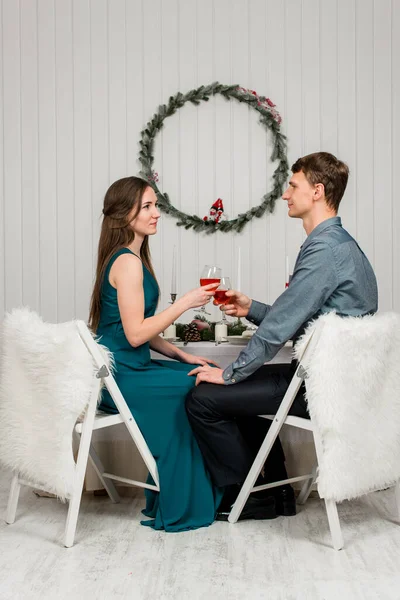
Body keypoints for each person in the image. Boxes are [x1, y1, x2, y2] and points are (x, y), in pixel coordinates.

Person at [185, 152, 378, 521]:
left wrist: (230, 373)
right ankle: (279, 493)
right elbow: (305, 318)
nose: (286, 195)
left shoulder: (324, 249)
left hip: (320, 389)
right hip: (337, 383)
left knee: (203, 399)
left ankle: (250, 496)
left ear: (317, 191)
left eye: (293, 186)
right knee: (240, 401)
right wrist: (252, 308)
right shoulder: (342, 245)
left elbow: (280, 328)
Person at [88, 176, 223, 532]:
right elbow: (134, 335)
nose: (156, 213)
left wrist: (182, 355)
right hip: (121, 376)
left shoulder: (131, 258)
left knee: (197, 375)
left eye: (155, 205)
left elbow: (138, 328)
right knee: (195, 389)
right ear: (124, 214)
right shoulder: (127, 263)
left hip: (132, 366)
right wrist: (185, 304)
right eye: (146, 206)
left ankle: (183, 493)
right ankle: (182, 501)